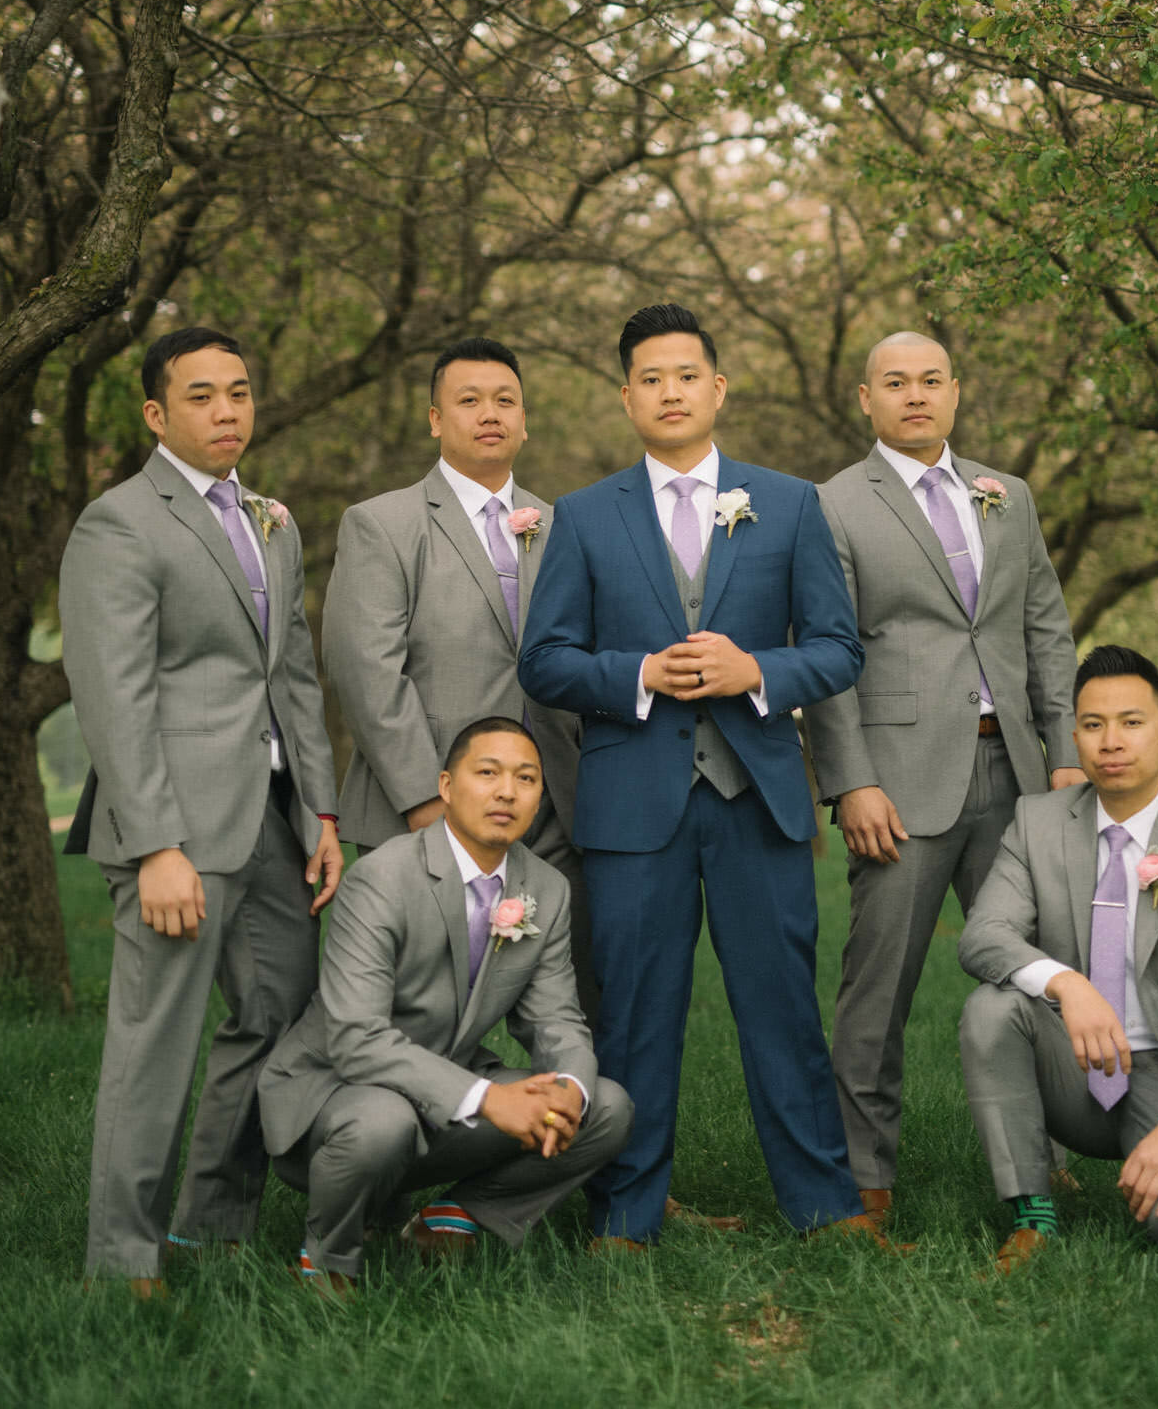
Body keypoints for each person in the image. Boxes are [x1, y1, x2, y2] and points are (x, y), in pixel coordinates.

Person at [518, 303, 877, 1249]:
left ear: (717, 388)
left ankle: (825, 1208)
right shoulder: (585, 516)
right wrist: (637, 674)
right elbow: (545, 659)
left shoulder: (792, 502)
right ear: (625, 396)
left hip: (758, 797)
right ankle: (624, 1218)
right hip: (633, 806)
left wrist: (758, 670)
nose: (669, 392)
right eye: (650, 378)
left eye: (686, 375)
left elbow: (838, 648)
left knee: (783, 1011)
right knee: (634, 1017)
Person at [60, 326, 342, 1294]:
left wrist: (322, 812)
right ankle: (121, 1259)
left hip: (272, 818)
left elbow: (293, 673)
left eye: (240, 391)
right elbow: (114, 693)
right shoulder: (120, 522)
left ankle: (211, 1223)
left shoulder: (271, 517)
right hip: (175, 826)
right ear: (157, 412)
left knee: (277, 1015)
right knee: (156, 1043)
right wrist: (155, 845)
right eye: (202, 395)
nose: (227, 410)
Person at [803, 330, 1083, 1225]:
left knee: (1037, 974)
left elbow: (1044, 630)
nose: (914, 395)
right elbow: (831, 653)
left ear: (955, 393)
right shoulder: (834, 505)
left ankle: (1041, 1166)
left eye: (930, 381)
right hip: (900, 785)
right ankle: (864, 1180)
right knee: (876, 993)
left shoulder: (1010, 496)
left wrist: (1067, 751)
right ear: (865, 398)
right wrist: (850, 782)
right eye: (895, 383)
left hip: (1022, 776)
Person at [259, 720, 631, 1293]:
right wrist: (488, 1098)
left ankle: (453, 1219)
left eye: (526, 778)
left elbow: (555, 1018)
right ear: (447, 785)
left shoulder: (546, 889)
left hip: (443, 1100)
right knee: (384, 1120)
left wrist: (567, 1090)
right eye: (487, 773)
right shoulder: (382, 877)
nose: (507, 791)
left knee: (604, 1105)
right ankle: (327, 1263)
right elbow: (355, 1036)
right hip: (333, 1099)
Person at [958, 644, 1158, 1265]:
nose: (1111, 741)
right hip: (1074, 1064)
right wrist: (1067, 985)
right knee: (991, 1008)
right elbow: (984, 934)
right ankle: (1032, 1214)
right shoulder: (1036, 823)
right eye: (1094, 725)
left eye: (1132, 722)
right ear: (1074, 739)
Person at [322, 335, 594, 1015]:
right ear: (436, 419)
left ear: (525, 421)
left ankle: (564, 1114)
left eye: (505, 400)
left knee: (570, 997)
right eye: (467, 401)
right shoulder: (383, 525)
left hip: (553, 806)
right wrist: (425, 799)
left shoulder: (566, 527)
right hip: (424, 806)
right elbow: (366, 670)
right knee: (418, 1008)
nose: (489, 413)